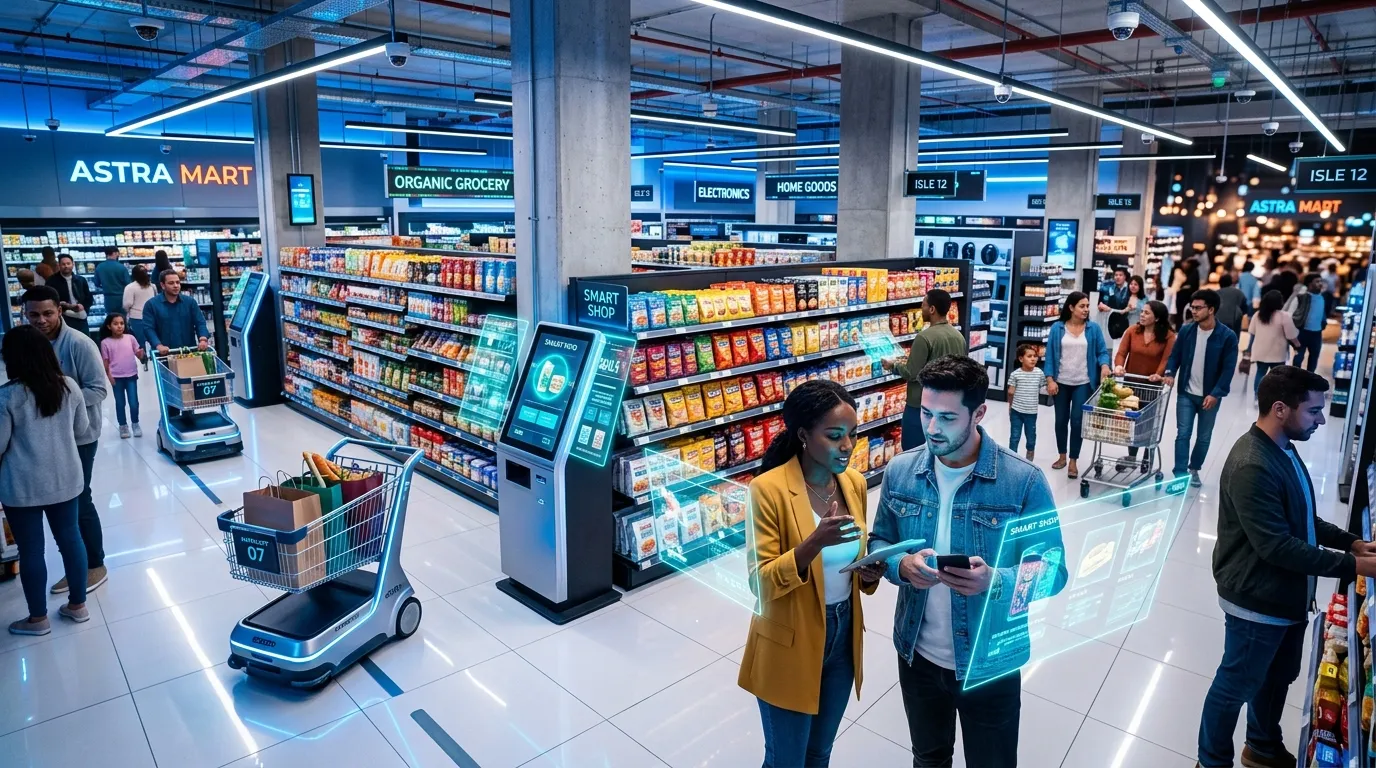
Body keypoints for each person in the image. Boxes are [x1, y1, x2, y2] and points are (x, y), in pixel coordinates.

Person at [868, 355, 1065, 767]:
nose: (932, 428)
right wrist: (900, 566)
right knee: (928, 758)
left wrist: (996, 581)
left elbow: (1053, 571)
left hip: (989, 662)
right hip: (917, 656)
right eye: (926, 413)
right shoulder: (901, 471)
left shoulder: (1022, 481)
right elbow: (880, 540)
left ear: (979, 413)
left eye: (947, 417)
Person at [1197, 366, 1376, 768]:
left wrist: (1352, 543)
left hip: (1285, 595)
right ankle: (1211, 761)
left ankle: (1261, 746)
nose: (1321, 420)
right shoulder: (1252, 464)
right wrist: (1356, 566)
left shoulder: (1283, 448)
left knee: (1277, 678)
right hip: (1256, 600)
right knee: (1235, 685)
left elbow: (1303, 514)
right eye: (1313, 411)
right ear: (1280, 409)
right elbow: (1277, 547)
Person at [739, 380, 885, 768]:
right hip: (789, 637)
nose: (847, 446)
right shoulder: (767, 490)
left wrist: (869, 573)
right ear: (803, 435)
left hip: (843, 636)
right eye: (834, 436)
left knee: (819, 753)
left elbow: (851, 563)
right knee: (786, 759)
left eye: (853, 434)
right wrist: (812, 543)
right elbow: (759, 582)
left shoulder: (853, 483)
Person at [0, 326, 91, 636]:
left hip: (22, 486)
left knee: (31, 550)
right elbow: (81, 430)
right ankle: (78, 606)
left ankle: (37, 619)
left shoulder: (7, 396)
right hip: (66, 479)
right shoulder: (69, 387)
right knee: (71, 540)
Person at [23, 286, 109, 594]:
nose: (41, 320)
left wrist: (57, 402)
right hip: (50, 437)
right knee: (63, 502)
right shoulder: (31, 344)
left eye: (48, 313)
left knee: (79, 498)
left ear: (60, 310)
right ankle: (77, 563)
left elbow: (99, 389)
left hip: (80, 435)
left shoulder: (79, 344)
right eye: (34, 314)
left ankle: (95, 565)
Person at [1163, 289, 1239, 488]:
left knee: (1203, 437)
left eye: (1198, 308)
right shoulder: (1187, 331)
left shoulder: (1227, 336)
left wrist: (1216, 393)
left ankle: (1194, 468)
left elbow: (1228, 369)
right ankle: (1180, 475)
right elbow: (1175, 355)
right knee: (1183, 434)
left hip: (1210, 396)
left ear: (1211, 310)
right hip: (1186, 394)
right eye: (1192, 307)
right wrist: (1170, 372)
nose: (1194, 311)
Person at [882, 288, 966, 450]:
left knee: (914, 450)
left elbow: (912, 373)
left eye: (923, 305)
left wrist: (893, 365)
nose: (922, 309)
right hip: (948, 403)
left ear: (932, 309)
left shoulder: (924, 337)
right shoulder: (958, 337)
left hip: (921, 405)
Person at [1043, 291, 1111, 479]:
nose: (1086, 309)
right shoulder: (1057, 328)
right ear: (1071, 307)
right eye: (1082, 306)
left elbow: (1102, 352)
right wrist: (1050, 379)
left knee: (1077, 420)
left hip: (1083, 382)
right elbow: (1049, 356)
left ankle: (1073, 460)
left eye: (1087, 306)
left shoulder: (1093, 329)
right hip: (1061, 382)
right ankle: (1062, 456)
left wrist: (1105, 366)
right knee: (1060, 420)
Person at [1113, 299, 1175, 470]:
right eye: (1142, 311)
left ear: (1157, 318)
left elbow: (1166, 359)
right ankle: (1132, 456)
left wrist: (1159, 374)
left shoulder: (1169, 336)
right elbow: (1121, 353)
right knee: (1133, 420)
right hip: (1131, 384)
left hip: (1152, 386)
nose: (1142, 315)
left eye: (1146, 312)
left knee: (1149, 421)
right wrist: (1118, 366)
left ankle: (1147, 456)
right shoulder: (1132, 331)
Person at [142, 268, 210, 354]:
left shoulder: (190, 302)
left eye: (177, 282)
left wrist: (203, 339)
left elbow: (200, 322)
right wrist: (158, 345)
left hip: (189, 352)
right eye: (171, 283)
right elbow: (148, 328)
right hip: (164, 354)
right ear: (162, 285)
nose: (176, 286)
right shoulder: (151, 305)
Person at [100, 313, 145, 439]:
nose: (119, 326)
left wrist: (141, 354)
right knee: (120, 403)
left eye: (122, 323)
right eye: (115, 324)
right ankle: (123, 425)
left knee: (134, 402)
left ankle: (135, 423)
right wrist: (109, 376)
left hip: (131, 375)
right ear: (109, 326)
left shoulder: (130, 338)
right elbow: (106, 362)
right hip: (116, 377)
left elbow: (138, 354)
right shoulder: (105, 343)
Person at [1250, 290, 1302, 399]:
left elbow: (1252, 333)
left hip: (1260, 351)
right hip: (1277, 352)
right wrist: (1297, 344)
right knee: (1278, 377)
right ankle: (1275, 397)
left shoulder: (1258, 315)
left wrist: (1248, 349)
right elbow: (1291, 335)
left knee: (1260, 373)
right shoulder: (1284, 316)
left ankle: (1257, 396)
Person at [1005, 343, 1043, 460]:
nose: (1033, 359)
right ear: (1021, 359)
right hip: (1016, 411)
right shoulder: (1015, 374)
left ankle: (1029, 456)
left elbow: (1045, 386)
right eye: (1029, 356)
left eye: (1035, 356)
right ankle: (1012, 458)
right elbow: (1010, 392)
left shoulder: (1039, 373)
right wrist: (1010, 406)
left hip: (1031, 412)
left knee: (1031, 436)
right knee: (1014, 436)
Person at [48, 254, 93, 334]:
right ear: (59, 265)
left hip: (81, 316)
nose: (66, 266)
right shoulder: (52, 281)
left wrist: (83, 306)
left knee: (84, 339)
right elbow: (49, 300)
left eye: (68, 263)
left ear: (73, 264)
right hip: (63, 317)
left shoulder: (81, 280)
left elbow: (89, 298)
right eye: (63, 264)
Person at [123, 265, 157, 370]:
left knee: (140, 341)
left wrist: (127, 312)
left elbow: (127, 304)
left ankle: (144, 362)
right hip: (151, 316)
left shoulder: (130, 287)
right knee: (153, 338)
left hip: (136, 317)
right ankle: (155, 361)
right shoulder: (152, 286)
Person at [1291, 275, 1327, 373]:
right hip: (1303, 332)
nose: (1320, 284)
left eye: (1321, 281)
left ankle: (1310, 377)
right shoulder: (1302, 297)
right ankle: (1294, 377)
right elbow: (1293, 313)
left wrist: (1324, 323)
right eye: (1317, 281)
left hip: (1317, 333)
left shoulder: (1322, 297)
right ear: (1310, 284)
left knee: (1314, 359)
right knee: (1298, 357)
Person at [93, 245, 130, 323]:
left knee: (111, 320)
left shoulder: (99, 267)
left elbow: (96, 283)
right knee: (122, 320)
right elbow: (128, 284)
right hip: (121, 297)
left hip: (108, 298)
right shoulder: (122, 267)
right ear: (115, 253)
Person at [1215, 273, 1252, 351]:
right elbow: (1245, 308)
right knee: (1232, 344)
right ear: (1231, 282)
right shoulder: (1238, 293)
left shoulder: (1215, 293)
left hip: (1217, 322)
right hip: (1233, 322)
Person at [1172, 257, 1201, 328]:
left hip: (1188, 297)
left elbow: (1192, 285)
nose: (1184, 264)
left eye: (1186, 263)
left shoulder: (1194, 271)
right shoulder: (1180, 271)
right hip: (1182, 297)